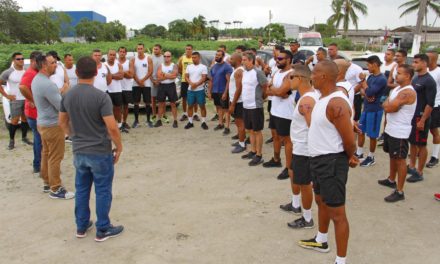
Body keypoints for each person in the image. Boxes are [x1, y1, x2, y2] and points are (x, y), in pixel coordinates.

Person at [298, 61, 358, 264]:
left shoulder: (336, 102)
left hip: (331, 162)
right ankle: (321, 240)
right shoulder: (323, 99)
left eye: (314, 73)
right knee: (321, 202)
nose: (311, 77)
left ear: (323, 77)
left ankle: (341, 261)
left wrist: (351, 155)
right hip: (318, 161)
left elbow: (348, 140)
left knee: (338, 213)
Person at [59, 56, 124, 242]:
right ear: (96, 72)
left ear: (77, 73)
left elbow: (61, 122)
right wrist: (118, 146)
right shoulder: (101, 97)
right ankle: (103, 228)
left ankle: (81, 225)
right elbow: (112, 127)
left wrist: (73, 136)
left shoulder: (67, 95)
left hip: (80, 151)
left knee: (81, 189)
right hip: (99, 151)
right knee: (103, 190)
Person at [32, 53, 74, 199]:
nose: (56, 65)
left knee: (46, 153)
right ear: (44, 65)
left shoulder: (37, 80)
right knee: (55, 157)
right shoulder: (47, 84)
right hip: (52, 125)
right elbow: (60, 106)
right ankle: (55, 189)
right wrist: (64, 91)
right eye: (53, 63)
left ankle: (47, 182)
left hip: (42, 123)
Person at [285, 64, 319, 229]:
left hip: (304, 149)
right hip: (301, 147)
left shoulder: (306, 101)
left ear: (300, 79)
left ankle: (307, 219)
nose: (288, 80)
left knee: (305, 185)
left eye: (291, 77)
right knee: (300, 181)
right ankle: (298, 207)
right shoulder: (309, 96)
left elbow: (313, 126)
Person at [378, 64, 417, 202]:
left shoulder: (408, 92)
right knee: (392, 156)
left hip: (400, 132)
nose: (396, 75)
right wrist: (388, 104)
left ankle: (400, 191)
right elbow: (387, 105)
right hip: (391, 129)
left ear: (407, 76)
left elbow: (390, 107)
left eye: (399, 73)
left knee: (400, 160)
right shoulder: (398, 89)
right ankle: (391, 179)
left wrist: (389, 104)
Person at [406, 54, 437, 183]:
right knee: (413, 143)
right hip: (412, 116)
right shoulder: (415, 78)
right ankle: (412, 166)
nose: (414, 64)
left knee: (421, 145)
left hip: (421, 117)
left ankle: (419, 172)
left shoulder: (429, 81)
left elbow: (430, 103)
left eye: (416, 62)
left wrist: (423, 120)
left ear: (424, 63)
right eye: (413, 62)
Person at [264, 50, 294, 180]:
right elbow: (267, 90)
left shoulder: (291, 74)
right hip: (275, 111)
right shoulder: (276, 72)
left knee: (287, 141)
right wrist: (277, 91)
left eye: (280, 59)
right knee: (275, 136)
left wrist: (275, 90)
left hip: (286, 113)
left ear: (289, 60)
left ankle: (289, 167)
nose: (277, 61)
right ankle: (276, 159)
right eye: (276, 59)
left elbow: (282, 92)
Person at [355, 56, 387, 167]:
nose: (367, 67)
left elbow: (369, 91)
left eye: (368, 65)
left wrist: (364, 83)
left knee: (372, 135)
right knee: (360, 130)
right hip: (367, 108)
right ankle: (359, 153)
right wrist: (368, 93)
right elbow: (364, 92)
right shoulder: (371, 77)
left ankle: (371, 156)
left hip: (375, 110)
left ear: (374, 64)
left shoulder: (381, 79)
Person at [240, 52, 268, 166]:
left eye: (245, 60)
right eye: (242, 60)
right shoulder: (245, 72)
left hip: (255, 106)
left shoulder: (258, 72)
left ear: (251, 60)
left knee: (257, 131)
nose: (243, 62)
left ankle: (259, 155)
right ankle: (253, 151)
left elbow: (265, 86)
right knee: (250, 130)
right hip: (246, 105)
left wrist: (262, 98)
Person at [0, 52, 32, 150]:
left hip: (26, 99)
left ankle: (24, 138)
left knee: (25, 119)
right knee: (14, 121)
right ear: (13, 60)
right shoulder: (8, 72)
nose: (21, 60)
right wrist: (7, 95)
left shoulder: (26, 71)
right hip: (15, 100)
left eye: (22, 58)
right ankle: (11, 141)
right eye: (18, 59)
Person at [19, 51, 42, 174]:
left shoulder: (36, 72)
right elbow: (22, 87)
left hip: (36, 113)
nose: (40, 64)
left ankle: (38, 164)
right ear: (33, 61)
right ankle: (38, 165)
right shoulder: (30, 73)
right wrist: (32, 99)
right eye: (38, 62)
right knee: (39, 140)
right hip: (33, 113)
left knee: (39, 139)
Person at [208, 49, 233, 135]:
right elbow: (211, 80)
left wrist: (226, 93)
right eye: (216, 55)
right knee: (218, 108)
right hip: (215, 91)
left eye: (219, 55)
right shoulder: (213, 67)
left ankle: (227, 127)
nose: (216, 56)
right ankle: (220, 124)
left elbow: (229, 81)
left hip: (223, 91)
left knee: (226, 109)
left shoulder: (227, 67)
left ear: (223, 56)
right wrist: (209, 92)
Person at [265, 45, 285, 145]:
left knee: (280, 122)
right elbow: (268, 88)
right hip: (272, 98)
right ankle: (275, 137)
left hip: (282, 103)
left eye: (275, 52)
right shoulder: (273, 64)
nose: (273, 53)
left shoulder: (287, 72)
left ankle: (281, 139)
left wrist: (271, 87)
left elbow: (283, 93)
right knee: (271, 115)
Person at [184, 51, 209, 130]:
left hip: (200, 90)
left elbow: (204, 77)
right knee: (190, 105)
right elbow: (186, 77)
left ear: (199, 58)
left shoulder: (203, 67)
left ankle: (203, 122)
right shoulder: (189, 66)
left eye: (195, 57)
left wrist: (196, 84)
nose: (193, 59)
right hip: (190, 90)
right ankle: (190, 122)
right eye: (192, 58)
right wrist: (191, 84)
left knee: (202, 106)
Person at [131, 43, 153, 128]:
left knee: (147, 102)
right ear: (136, 49)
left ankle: (148, 120)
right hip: (136, 84)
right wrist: (138, 81)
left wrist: (142, 80)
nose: (140, 50)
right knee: (136, 103)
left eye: (141, 49)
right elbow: (132, 72)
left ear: (144, 49)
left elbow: (150, 71)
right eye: (138, 49)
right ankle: (136, 121)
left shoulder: (148, 59)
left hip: (146, 84)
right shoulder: (133, 59)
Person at [155, 51, 179, 128]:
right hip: (162, 86)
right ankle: (159, 120)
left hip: (171, 86)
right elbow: (158, 77)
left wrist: (164, 74)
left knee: (173, 104)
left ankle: (175, 120)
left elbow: (174, 75)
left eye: (168, 56)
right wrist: (169, 75)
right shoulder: (160, 66)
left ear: (171, 57)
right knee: (161, 104)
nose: (166, 58)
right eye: (165, 56)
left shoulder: (174, 65)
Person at [228, 53, 246, 153]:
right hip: (235, 100)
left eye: (231, 59)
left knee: (240, 123)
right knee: (238, 122)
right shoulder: (236, 70)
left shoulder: (239, 71)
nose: (229, 61)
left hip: (239, 102)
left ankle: (242, 144)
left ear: (238, 60)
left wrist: (233, 104)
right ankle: (240, 140)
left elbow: (239, 88)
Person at [105, 49, 126, 133]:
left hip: (117, 90)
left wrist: (110, 75)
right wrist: (115, 75)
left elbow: (121, 76)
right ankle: (110, 126)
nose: (112, 56)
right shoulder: (104, 65)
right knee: (108, 109)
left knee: (118, 108)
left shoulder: (118, 65)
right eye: (110, 55)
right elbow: (106, 78)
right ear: (107, 55)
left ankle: (120, 125)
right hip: (107, 90)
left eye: (114, 55)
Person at [426, 51, 440, 168]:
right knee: (421, 131)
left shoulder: (439, 72)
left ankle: (435, 156)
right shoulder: (424, 72)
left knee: (434, 131)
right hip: (423, 106)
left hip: (435, 106)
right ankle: (420, 152)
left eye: (428, 58)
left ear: (434, 60)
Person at [118, 46, 134, 130]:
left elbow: (131, 75)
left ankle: (124, 122)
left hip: (127, 87)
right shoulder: (115, 62)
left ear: (126, 53)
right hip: (117, 87)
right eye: (120, 51)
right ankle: (119, 123)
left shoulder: (129, 62)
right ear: (118, 52)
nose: (122, 53)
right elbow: (113, 75)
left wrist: (122, 72)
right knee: (118, 107)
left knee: (126, 106)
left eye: (123, 52)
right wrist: (126, 72)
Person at [177, 44, 195, 121]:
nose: (188, 50)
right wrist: (185, 75)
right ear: (185, 50)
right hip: (184, 81)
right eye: (186, 49)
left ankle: (195, 114)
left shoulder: (194, 58)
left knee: (194, 98)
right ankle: (185, 113)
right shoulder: (182, 58)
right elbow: (180, 69)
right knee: (184, 98)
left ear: (192, 50)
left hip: (193, 81)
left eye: (189, 49)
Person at [151, 44, 165, 123]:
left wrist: (159, 80)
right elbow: (148, 70)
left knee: (162, 99)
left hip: (162, 81)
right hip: (152, 81)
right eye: (154, 49)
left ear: (160, 49)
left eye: (156, 49)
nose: (155, 50)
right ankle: (153, 115)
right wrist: (153, 80)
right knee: (153, 99)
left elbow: (166, 70)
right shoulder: (150, 58)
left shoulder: (164, 58)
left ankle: (163, 115)